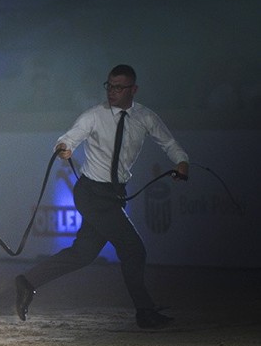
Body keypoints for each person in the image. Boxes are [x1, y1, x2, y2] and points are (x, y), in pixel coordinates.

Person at [14, 64, 190, 330]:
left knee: (83, 254)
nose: (112, 92)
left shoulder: (145, 117)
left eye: (119, 87)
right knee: (133, 249)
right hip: (91, 193)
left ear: (134, 89)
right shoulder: (94, 116)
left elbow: (169, 143)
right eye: (109, 86)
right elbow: (69, 138)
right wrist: (64, 147)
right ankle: (144, 311)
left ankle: (28, 281)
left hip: (114, 194)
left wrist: (182, 162)